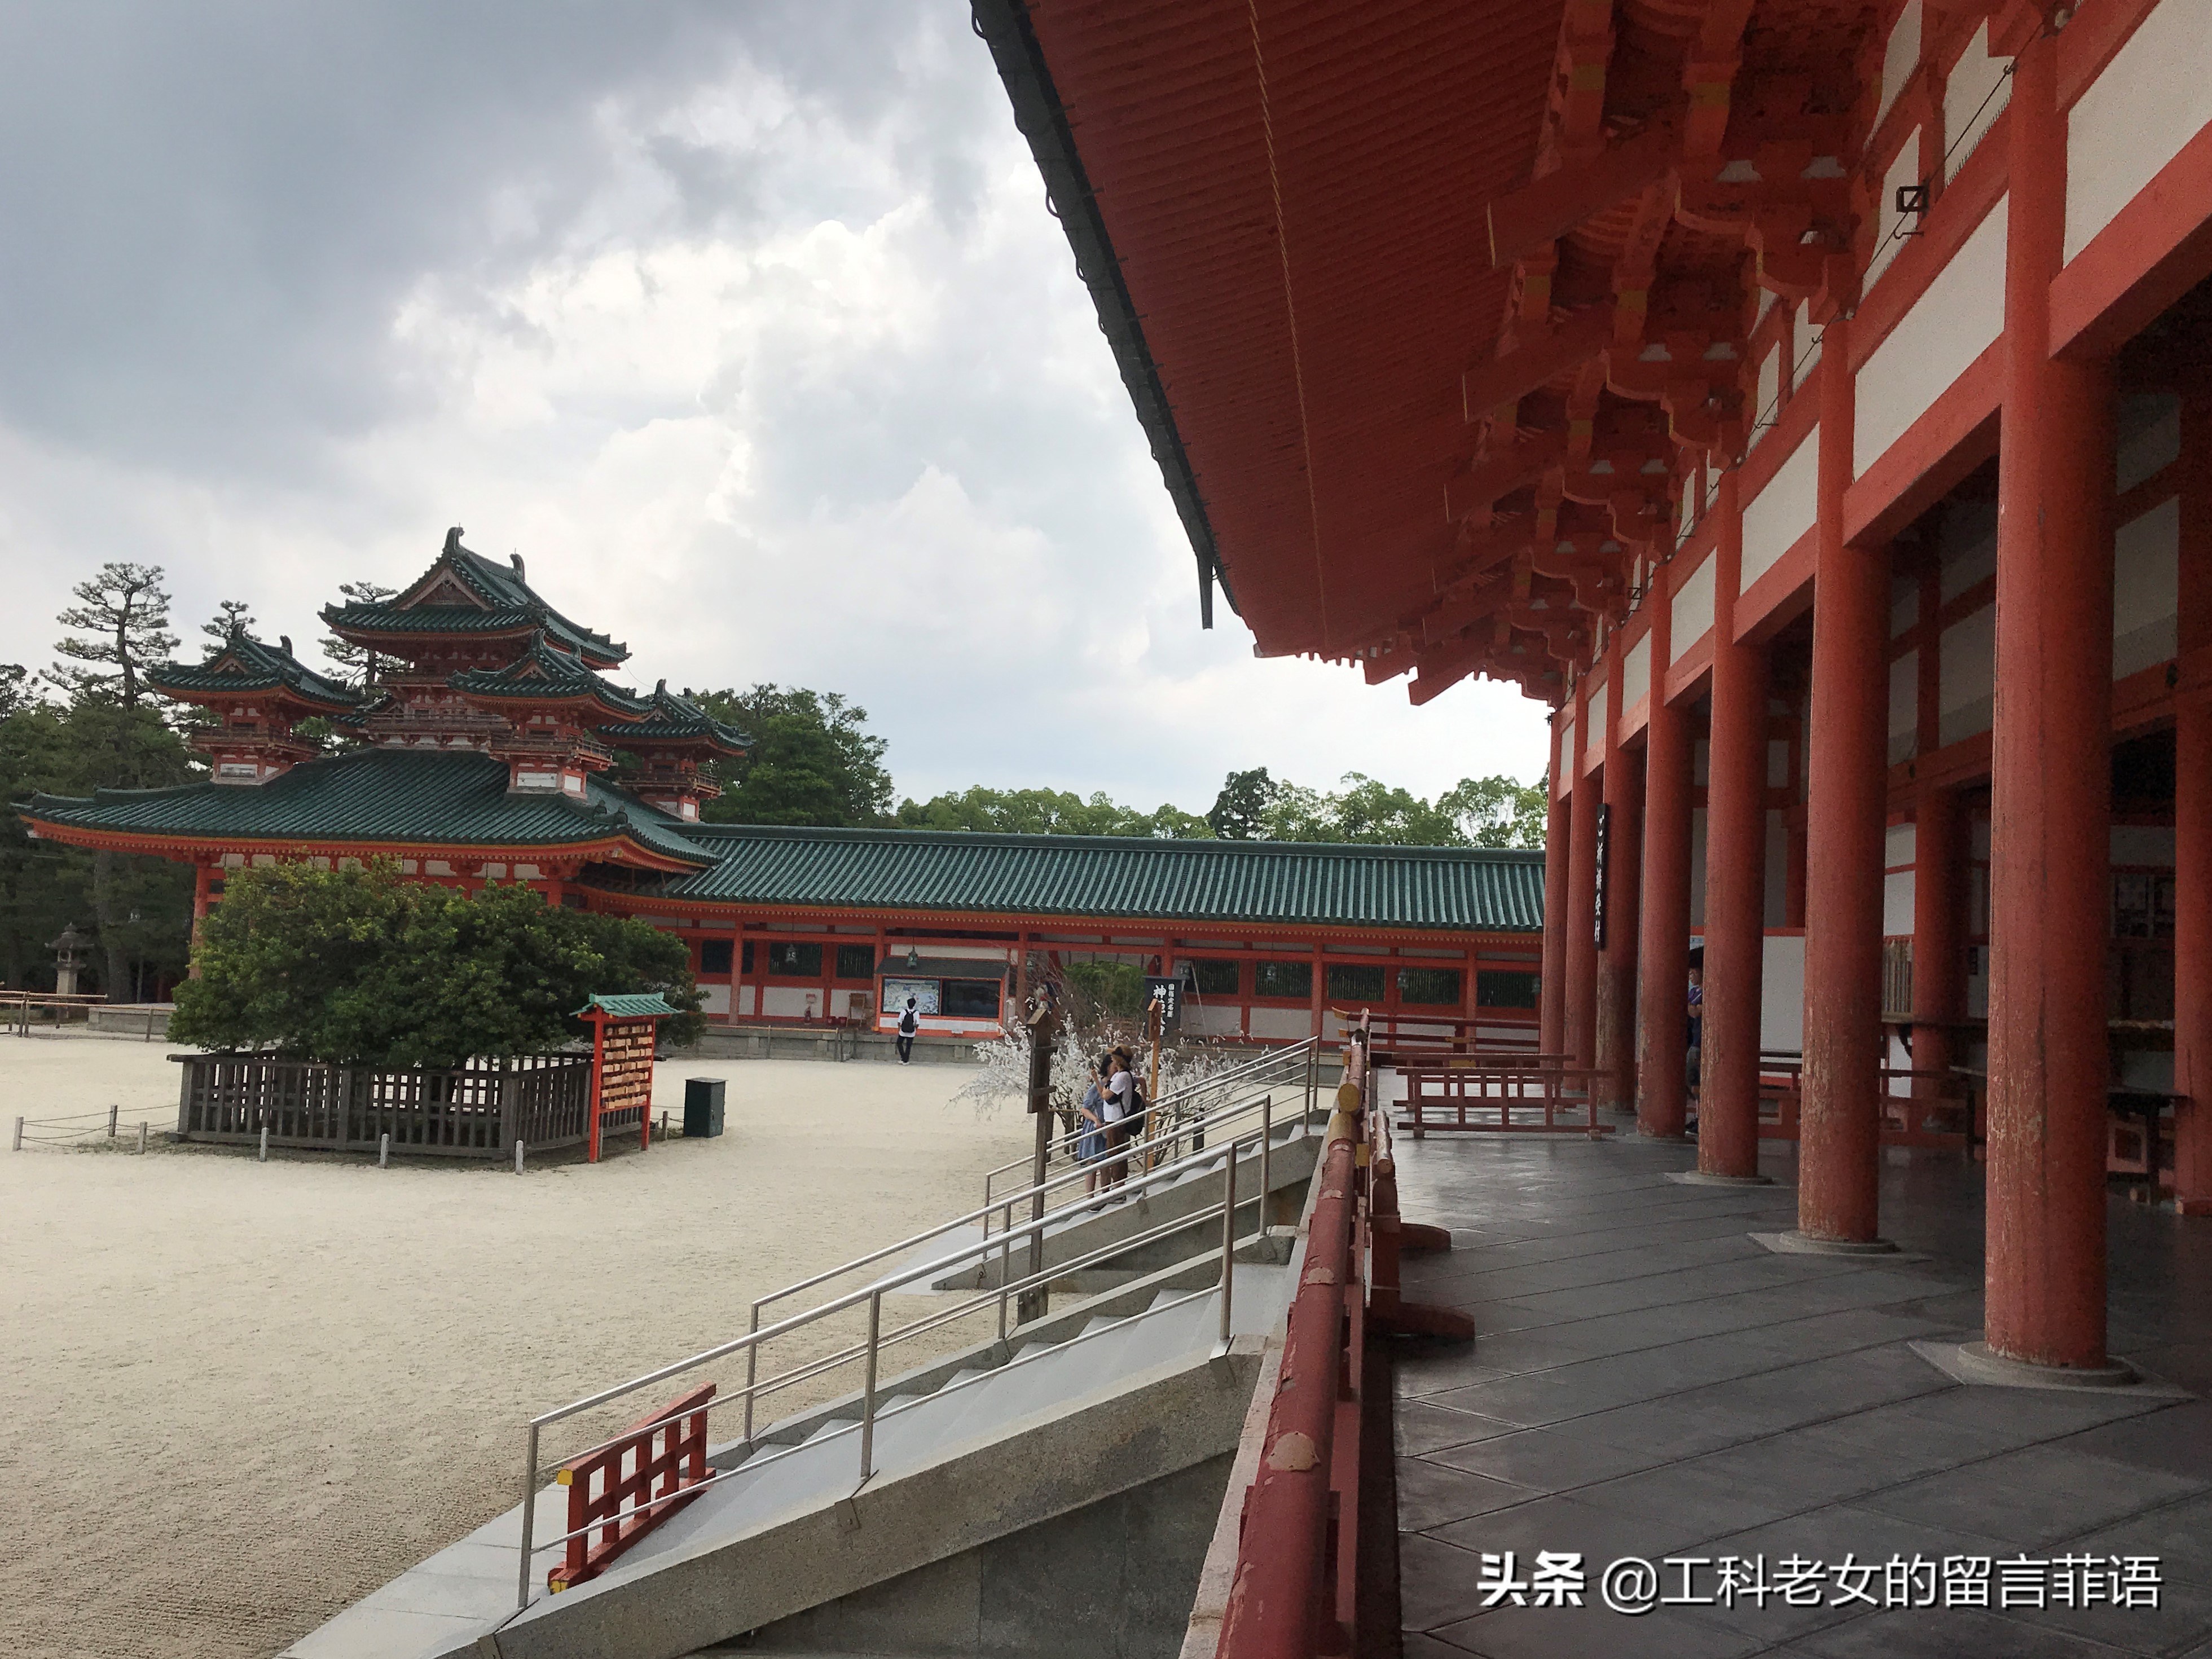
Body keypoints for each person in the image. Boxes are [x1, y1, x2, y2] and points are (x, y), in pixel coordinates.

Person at [1076, 1054, 1112, 1196]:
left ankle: (1105, 1193)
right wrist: (1096, 1120)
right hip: (1096, 1127)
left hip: (1109, 1126)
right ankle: (1090, 1196)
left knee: (1106, 1164)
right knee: (1093, 1162)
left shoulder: (1114, 1085)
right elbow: (1085, 1109)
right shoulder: (1096, 1087)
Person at [1684, 954, 1704, 1137]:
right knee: (1692, 1081)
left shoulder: (1707, 992)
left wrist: (1693, 1009)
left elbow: (1694, 1011)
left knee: (1698, 1081)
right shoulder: (1693, 992)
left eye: (1693, 972)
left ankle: (1701, 1116)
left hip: (1700, 1043)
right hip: (1692, 1041)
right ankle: (1698, 1114)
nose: (1691, 976)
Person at [896, 996, 919, 1064]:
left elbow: (899, 1022)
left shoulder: (904, 1012)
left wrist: (899, 1029)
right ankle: (906, 1060)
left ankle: (903, 1057)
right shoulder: (916, 1013)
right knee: (908, 1046)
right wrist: (915, 1029)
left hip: (903, 1031)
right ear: (914, 1005)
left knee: (899, 1043)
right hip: (912, 1032)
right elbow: (917, 1023)